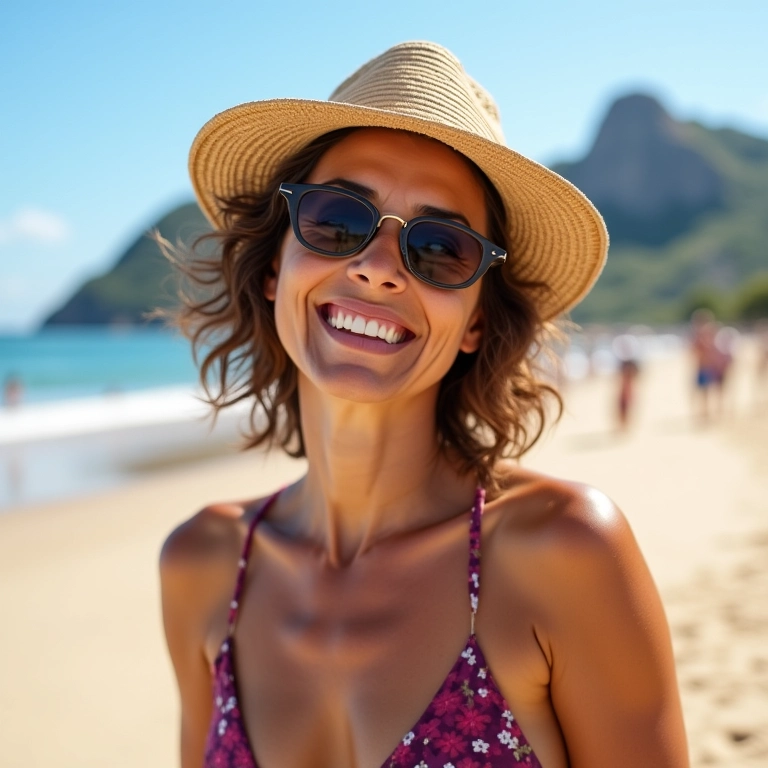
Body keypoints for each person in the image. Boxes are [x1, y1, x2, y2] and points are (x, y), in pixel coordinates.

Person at [160, 42, 688, 767]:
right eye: (338, 220)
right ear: (274, 268)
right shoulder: (203, 566)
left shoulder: (562, 553)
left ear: (475, 319)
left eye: (440, 248)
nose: (377, 269)